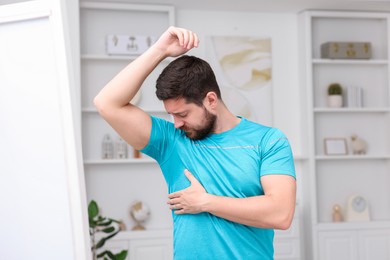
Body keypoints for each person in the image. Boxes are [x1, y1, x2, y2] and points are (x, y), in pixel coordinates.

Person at [94, 26, 296, 260]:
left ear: (211, 100)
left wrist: (206, 202)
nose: (177, 123)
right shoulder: (172, 142)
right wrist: (160, 50)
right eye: (171, 115)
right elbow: (106, 103)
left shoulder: (268, 141)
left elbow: (281, 214)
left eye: (183, 114)